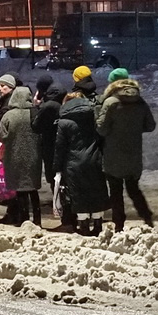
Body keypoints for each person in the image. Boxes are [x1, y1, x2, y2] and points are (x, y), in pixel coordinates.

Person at [94, 68, 156, 230]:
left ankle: (119, 224)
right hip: (133, 154)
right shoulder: (140, 101)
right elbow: (150, 125)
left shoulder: (111, 102)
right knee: (133, 189)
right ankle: (147, 217)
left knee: (116, 192)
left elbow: (101, 129)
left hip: (113, 155)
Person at [54, 79, 109, 234]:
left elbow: (60, 147)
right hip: (94, 159)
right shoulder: (93, 116)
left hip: (73, 163)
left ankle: (83, 226)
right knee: (96, 190)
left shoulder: (64, 122)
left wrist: (57, 167)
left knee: (79, 194)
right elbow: (101, 137)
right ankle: (98, 224)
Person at [0, 86, 43, 225]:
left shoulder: (9, 115)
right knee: (33, 188)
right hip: (34, 156)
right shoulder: (35, 113)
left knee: (20, 188)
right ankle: (37, 220)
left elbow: (1, 136)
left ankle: (23, 218)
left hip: (14, 155)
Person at [32, 77, 63, 220]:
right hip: (64, 145)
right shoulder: (64, 100)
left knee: (54, 178)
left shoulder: (47, 107)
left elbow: (36, 127)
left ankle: (61, 208)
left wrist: (37, 107)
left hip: (50, 146)